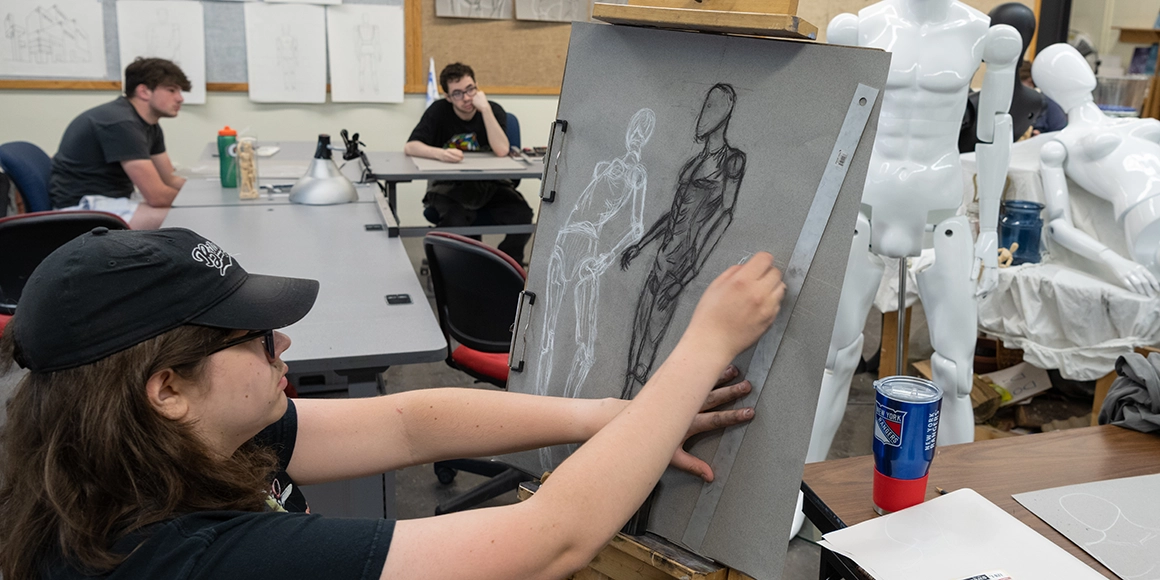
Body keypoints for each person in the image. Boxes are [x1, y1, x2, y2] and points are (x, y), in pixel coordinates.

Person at [0, 227, 785, 580]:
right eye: (256, 339)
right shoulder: (171, 556)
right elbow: (553, 540)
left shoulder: (157, 447)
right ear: (165, 389)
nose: (285, 349)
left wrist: (605, 418)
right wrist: (704, 346)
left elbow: (408, 420)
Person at [404, 62, 534, 264]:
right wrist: (440, 154)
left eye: (470, 89)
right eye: (457, 93)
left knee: (523, 215)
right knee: (457, 221)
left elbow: (501, 150)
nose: (466, 98)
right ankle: (455, 269)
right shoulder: (438, 112)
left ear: (477, 87)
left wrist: (486, 110)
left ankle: (506, 265)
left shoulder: (493, 110)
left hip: (490, 185)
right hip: (449, 187)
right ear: (447, 97)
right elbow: (411, 146)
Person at [48, 57, 189, 230]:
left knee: (188, 212)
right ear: (144, 91)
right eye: (171, 90)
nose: (180, 98)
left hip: (113, 201)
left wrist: (213, 192)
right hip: (82, 208)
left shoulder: (149, 124)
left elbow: (169, 179)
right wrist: (199, 202)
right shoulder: (120, 123)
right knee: (187, 218)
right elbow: (157, 196)